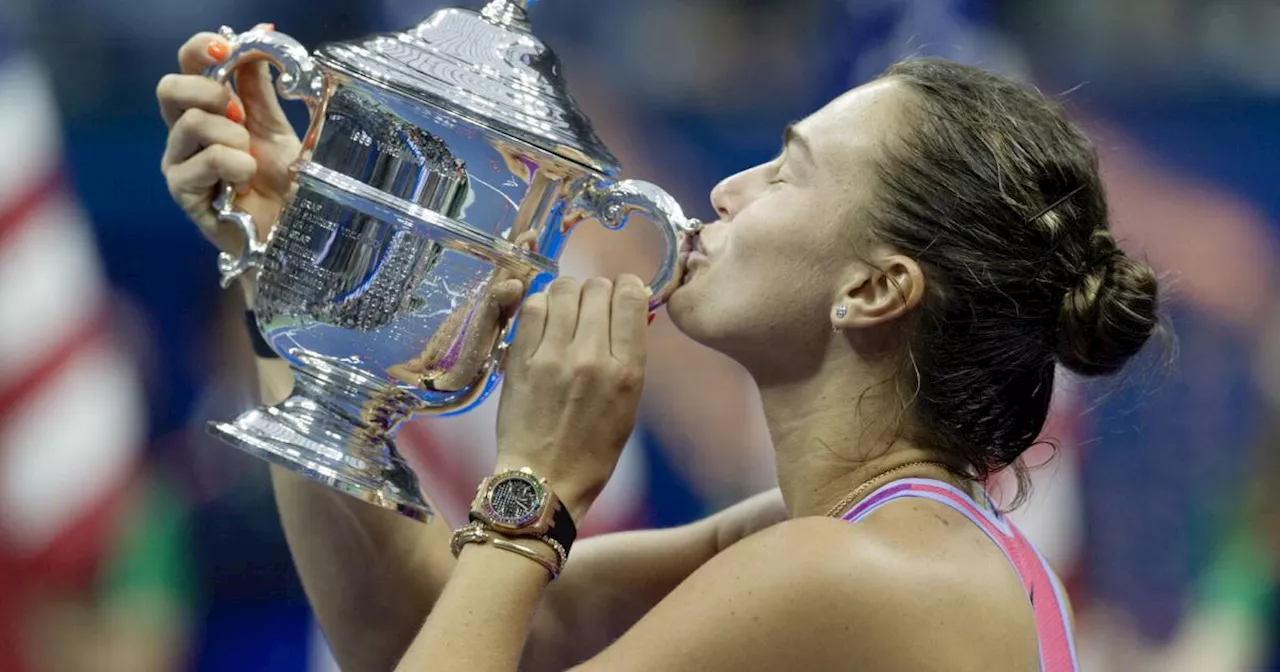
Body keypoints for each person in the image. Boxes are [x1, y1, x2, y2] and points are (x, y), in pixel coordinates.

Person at [158, 28, 1161, 671]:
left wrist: (533, 493)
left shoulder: (853, 570)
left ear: (873, 290)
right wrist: (297, 272)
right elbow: (409, 637)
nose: (728, 189)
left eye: (787, 173)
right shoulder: (838, 536)